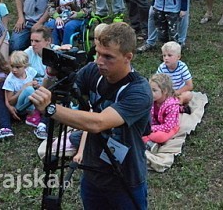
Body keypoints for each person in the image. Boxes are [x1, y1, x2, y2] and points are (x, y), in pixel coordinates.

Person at [30, 23, 153, 210]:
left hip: (125, 178)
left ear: (128, 57)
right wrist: (54, 74)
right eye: (98, 53)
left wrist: (51, 110)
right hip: (93, 173)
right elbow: (65, 90)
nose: (99, 61)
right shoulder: (94, 71)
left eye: (108, 57)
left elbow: (99, 123)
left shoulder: (139, 91)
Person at [144, 73, 182, 146]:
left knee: (159, 137)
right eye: (150, 89)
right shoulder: (152, 100)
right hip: (154, 125)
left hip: (170, 128)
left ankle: (147, 140)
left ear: (165, 91)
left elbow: (168, 126)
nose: (150, 93)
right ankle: (148, 141)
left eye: (154, 90)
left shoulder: (172, 105)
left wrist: (151, 128)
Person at [156, 41, 193, 109]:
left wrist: (177, 92)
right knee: (155, 95)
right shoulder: (162, 67)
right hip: (166, 92)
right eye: (164, 55)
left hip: (179, 92)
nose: (166, 58)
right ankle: (168, 105)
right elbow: (157, 82)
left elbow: (189, 85)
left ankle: (178, 104)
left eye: (169, 55)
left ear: (178, 57)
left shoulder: (182, 67)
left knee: (189, 95)